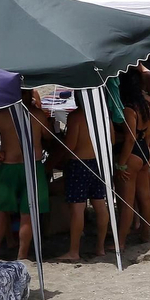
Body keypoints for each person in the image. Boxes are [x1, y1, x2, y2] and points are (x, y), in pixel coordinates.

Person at [0, 93, 49, 260]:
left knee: (1, 211)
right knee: (28, 212)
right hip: (32, 165)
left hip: (9, 164)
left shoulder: (2, 114)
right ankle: (22, 255)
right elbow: (48, 136)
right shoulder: (36, 114)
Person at [58, 103, 109, 262]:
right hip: (97, 161)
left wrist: (60, 157)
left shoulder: (76, 117)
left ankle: (74, 251)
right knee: (100, 205)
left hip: (79, 163)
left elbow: (71, 146)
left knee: (77, 208)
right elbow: (111, 139)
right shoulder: (101, 113)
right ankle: (100, 247)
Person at [114, 67, 150, 244]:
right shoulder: (148, 101)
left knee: (127, 202)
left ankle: (121, 241)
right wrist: (147, 153)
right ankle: (146, 234)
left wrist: (121, 163)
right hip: (144, 148)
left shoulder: (129, 109)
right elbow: (149, 132)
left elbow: (130, 138)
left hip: (131, 153)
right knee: (145, 197)